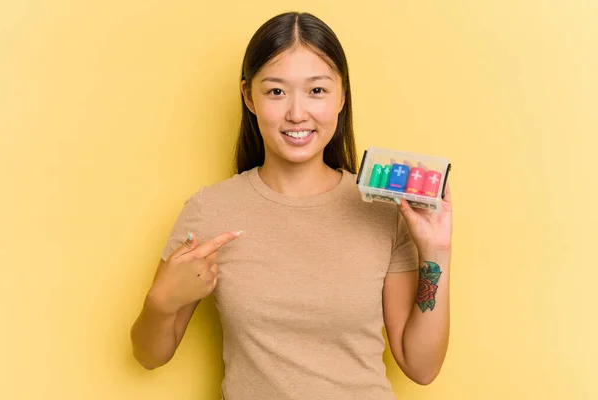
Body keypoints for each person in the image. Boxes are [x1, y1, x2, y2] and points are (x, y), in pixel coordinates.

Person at [130, 11, 452, 400]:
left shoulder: (382, 209)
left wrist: (435, 252)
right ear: (249, 96)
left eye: (317, 90)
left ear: (342, 96)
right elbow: (150, 355)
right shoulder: (210, 210)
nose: (297, 113)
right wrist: (163, 300)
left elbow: (421, 367)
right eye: (276, 91)